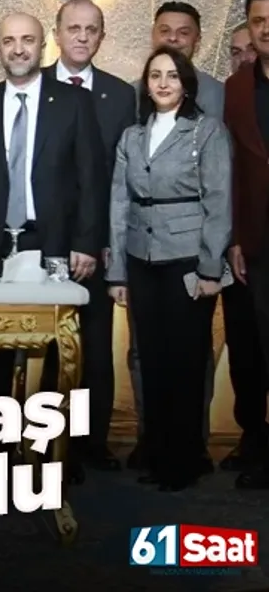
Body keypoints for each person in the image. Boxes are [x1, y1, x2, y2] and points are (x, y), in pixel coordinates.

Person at [0, 13, 107, 476]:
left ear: (43, 46)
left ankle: (50, 459)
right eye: (9, 41)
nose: (18, 48)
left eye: (27, 40)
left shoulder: (74, 102)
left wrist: (86, 242)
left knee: (58, 356)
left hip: (55, 242)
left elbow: (90, 176)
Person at [106, 47, 231, 492]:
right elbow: (119, 204)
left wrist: (210, 268)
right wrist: (117, 272)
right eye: (155, 75)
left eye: (172, 76)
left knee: (185, 360)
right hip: (141, 258)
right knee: (152, 359)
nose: (162, 83)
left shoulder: (206, 131)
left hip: (187, 259)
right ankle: (157, 454)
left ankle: (185, 459)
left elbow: (219, 201)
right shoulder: (132, 135)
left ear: (186, 84)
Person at [42, 0, 136, 473]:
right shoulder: (33, 86)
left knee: (96, 350)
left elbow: (122, 177)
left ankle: (91, 443)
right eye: (73, 28)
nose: (82, 37)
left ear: (102, 36)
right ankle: (45, 444)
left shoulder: (120, 95)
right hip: (43, 240)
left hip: (98, 241)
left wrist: (106, 240)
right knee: (47, 350)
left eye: (91, 29)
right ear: (57, 33)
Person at [225, 0, 269, 490]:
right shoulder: (236, 89)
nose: (266, 29)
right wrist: (235, 237)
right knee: (254, 350)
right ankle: (257, 444)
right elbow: (231, 168)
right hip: (256, 242)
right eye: (258, 20)